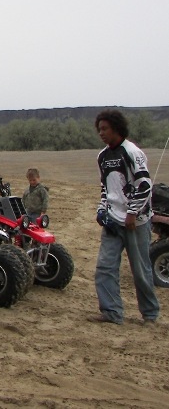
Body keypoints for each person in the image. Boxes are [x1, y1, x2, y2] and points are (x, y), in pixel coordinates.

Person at [88, 109, 159, 326]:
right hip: (112, 220)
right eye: (99, 129)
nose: (101, 133)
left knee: (140, 269)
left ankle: (150, 314)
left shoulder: (132, 152)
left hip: (135, 223)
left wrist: (132, 213)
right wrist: (102, 209)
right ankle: (111, 312)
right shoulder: (103, 156)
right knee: (105, 267)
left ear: (117, 128)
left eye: (105, 129)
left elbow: (145, 185)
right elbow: (106, 188)